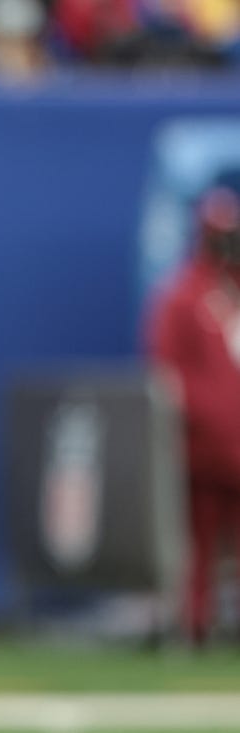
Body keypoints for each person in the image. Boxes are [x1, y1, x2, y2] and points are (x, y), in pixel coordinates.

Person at [146, 183, 240, 648]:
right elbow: (166, 372)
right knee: (201, 543)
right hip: (205, 446)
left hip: (235, 441)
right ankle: (197, 626)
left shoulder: (231, 291)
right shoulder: (182, 296)